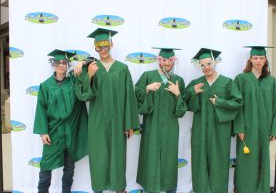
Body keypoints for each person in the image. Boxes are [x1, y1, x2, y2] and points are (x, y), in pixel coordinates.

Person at [74, 28, 140, 192]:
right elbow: (83, 96)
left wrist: (129, 124)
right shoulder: (91, 66)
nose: (103, 50)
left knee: (118, 154)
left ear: (111, 44)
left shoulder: (122, 69)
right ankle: (99, 187)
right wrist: (88, 74)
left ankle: (119, 187)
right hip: (97, 120)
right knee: (99, 155)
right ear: (95, 47)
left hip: (118, 120)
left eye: (106, 46)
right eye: (99, 47)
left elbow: (129, 98)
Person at [185, 48, 243, 193]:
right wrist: (192, 92)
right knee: (200, 160)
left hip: (220, 130)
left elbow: (238, 103)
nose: (206, 68)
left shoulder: (227, 82)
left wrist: (221, 102)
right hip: (200, 129)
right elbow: (183, 102)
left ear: (215, 63)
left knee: (219, 161)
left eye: (209, 64)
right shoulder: (196, 83)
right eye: (202, 65)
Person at [33, 49, 88, 193]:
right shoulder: (45, 86)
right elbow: (41, 109)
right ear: (53, 64)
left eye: (64, 63)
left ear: (68, 64)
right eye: (58, 63)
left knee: (69, 167)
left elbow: (92, 62)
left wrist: (81, 63)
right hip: (53, 131)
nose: (61, 65)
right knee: (46, 165)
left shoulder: (73, 81)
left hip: (71, 131)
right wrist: (43, 131)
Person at [135, 47, 187, 193]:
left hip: (171, 127)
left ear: (174, 60)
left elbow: (182, 109)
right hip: (152, 126)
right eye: (164, 60)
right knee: (150, 158)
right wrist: (146, 89)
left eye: (170, 60)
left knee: (169, 162)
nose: (167, 63)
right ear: (159, 60)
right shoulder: (148, 76)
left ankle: (170, 189)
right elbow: (136, 95)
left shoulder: (178, 80)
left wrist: (178, 94)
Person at [234, 46, 276, 193]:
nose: (258, 61)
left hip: (264, 128)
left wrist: (274, 128)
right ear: (250, 59)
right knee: (246, 161)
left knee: (263, 159)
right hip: (247, 128)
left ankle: (261, 190)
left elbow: (275, 105)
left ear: (265, 60)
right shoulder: (241, 79)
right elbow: (237, 106)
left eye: (261, 58)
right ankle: (243, 189)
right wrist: (240, 128)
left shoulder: (270, 80)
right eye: (255, 58)